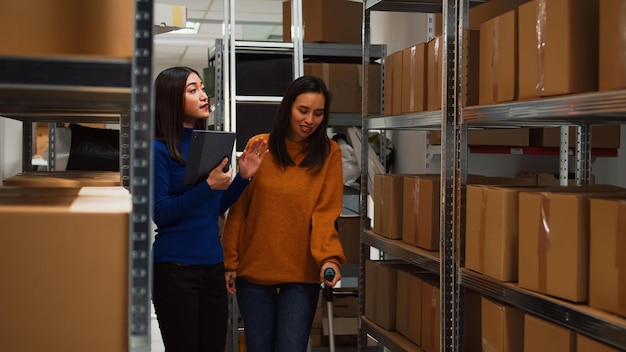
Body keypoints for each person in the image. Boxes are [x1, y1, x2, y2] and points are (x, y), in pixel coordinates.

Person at [221, 75, 346, 352]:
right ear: (288, 107)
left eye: (318, 113)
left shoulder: (329, 153)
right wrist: (230, 260)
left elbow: (326, 213)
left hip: (301, 273)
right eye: (303, 110)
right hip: (253, 271)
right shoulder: (260, 146)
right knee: (259, 347)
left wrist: (330, 258)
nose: (309, 120)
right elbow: (239, 208)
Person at [151, 66, 268, 352]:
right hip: (175, 270)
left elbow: (214, 206)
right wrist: (207, 186)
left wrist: (243, 177)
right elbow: (160, 212)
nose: (204, 96)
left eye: (202, 88)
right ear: (171, 100)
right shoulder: (158, 149)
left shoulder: (210, 143)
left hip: (212, 267)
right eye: (193, 90)